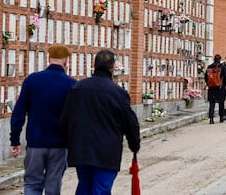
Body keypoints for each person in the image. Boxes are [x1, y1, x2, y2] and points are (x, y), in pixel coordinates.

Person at [61, 50, 140, 194]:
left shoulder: (78, 88)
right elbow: (130, 122)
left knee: (84, 185)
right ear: (112, 67)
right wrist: (134, 145)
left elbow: (66, 118)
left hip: (81, 148)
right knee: (101, 189)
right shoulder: (118, 93)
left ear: (94, 65)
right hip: (107, 151)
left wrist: (68, 142)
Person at [10, 45, 76, 194]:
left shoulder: (33, 81)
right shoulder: (71, 84)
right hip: (60, 144)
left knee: (32, 184)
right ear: (67, 61)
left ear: (48, 58)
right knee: (53, 185)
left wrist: (15, 139)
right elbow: (75, 118)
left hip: (35, 142)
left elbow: (19, 112)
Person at [205, 54, 226, 124]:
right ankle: (221, 117)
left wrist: (209, 84)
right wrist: (223, 84)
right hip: (220, 87)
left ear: (214, 59)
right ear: (220, 59)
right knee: (221, 102)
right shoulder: (222, 67)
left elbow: (206, 77)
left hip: (211, 87)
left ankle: (211, 119)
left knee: (212, 103)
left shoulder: (209, 67)